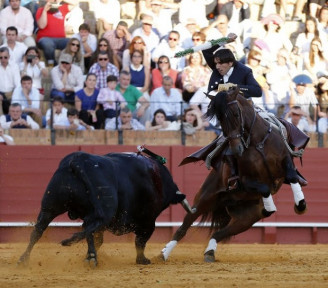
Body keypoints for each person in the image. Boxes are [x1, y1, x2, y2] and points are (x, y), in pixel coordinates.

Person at [35, 0, 78, 66]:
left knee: (72, 43)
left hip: (61, 39)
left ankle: (70, 64)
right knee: (48, 44)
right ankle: (53, 64)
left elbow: (75, 2)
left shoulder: (62, 8)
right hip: (45, 39)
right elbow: (42, 25)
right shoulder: (40, 10)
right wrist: (45, 11)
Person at [0, 47, 20, 114]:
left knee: (16, 99)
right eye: (1, 57)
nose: (3, 59)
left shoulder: (14, 66)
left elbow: (17, 84)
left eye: (5, 57)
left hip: (12, 92)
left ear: (9, 57)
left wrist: (14, 95)